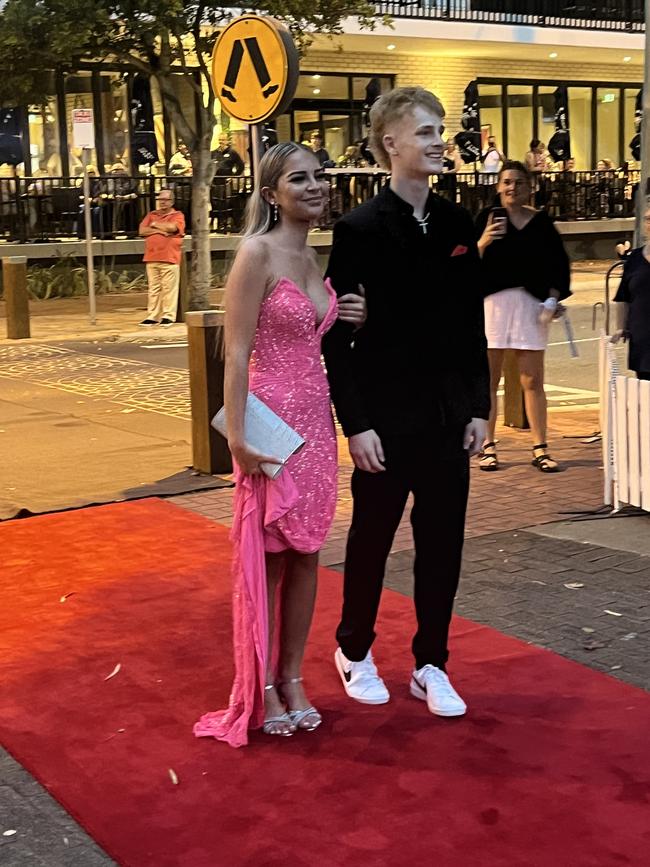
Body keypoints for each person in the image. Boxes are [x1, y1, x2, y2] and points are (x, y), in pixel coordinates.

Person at [322, 87, 490, 718]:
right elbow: (338, 336)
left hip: (449, 416)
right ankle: (354, 649)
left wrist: (479, 405)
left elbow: (470, 324)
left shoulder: (454, 223)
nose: (438, 139)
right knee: (371, 539)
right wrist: (356, 424)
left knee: (443, 543)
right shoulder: (358, 228)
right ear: (390, 142)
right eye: (425, 131)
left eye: (440, 129)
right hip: (387, 419)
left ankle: (431, 663)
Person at [193, 143, 367, 747]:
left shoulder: (315, 257)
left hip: (317, 427)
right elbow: (235, 352)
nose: (315, 186)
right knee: (266, 559)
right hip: (269, 428)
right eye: (300, 178)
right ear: (271, 193)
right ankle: (261, 684)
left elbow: (315, 336)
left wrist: (349, 314)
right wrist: (238, 439)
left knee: (308, 551)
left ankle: (292, 676)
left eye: (320, 176)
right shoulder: (255, 253)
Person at [475, 160, 571, 472]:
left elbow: (558, 265)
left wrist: (553, 299)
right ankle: (488, 446)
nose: (512, 187)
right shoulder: (485, 218)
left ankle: (540, 447)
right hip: (492, 305)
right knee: (489, 378)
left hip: (531, 306)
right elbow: (462, 264)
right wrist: (485, 239)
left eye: (519, 182)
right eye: (506, 182)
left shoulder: (541, 223)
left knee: (533, 379)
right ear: (498, 186)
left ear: (530, 187)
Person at [612, 206, 650, 380]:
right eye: (648, 219)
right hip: (642, 342)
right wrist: (620, 327)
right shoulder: (634, 258)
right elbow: (623, 297)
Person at [138, 188, 185, 327]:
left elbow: (172, 228)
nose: (162, 202)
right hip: (152, 256)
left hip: (169, 257)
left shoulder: (177, 215)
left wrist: (154, 225)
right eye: (160, 200)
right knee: (154, 288)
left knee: (169, 288)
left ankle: (168, 316)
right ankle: (152, 316)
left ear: (171, 201)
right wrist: (159, 230)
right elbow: (142, 230)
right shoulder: (152, 214)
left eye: (165, 200)